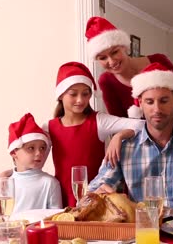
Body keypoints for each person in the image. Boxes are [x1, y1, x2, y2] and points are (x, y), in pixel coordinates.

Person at [88, 62, 173, 214]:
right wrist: (98, 194)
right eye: (149, 102)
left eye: (164, 101)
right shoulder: (124, 146)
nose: (157, 109)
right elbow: (93, 191)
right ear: (140, 103)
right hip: (142, 231)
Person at [44, 61, 144, 207]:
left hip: (97, 198)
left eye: (85, 94)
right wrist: (10, 173)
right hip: (61, 199)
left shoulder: (99, 121)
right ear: (60, 95)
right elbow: (34, 162)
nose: (80, 100)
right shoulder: (49, 127)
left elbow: (142, 125)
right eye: (73, 94)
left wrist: (119, 135)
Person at [85, 16, 173, 127]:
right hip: (140, 147)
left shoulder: (158, 60)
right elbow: (119, 124)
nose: (111, 61)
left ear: (124, 47)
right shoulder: (107, 81)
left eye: (115, 52)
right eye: (103, 58)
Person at [0, 113, 62, 215]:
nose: (39, 153)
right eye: (31, 148)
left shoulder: (50, 183)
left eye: (42, 148)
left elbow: (56, 219)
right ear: (14, 152)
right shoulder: (4, 183)